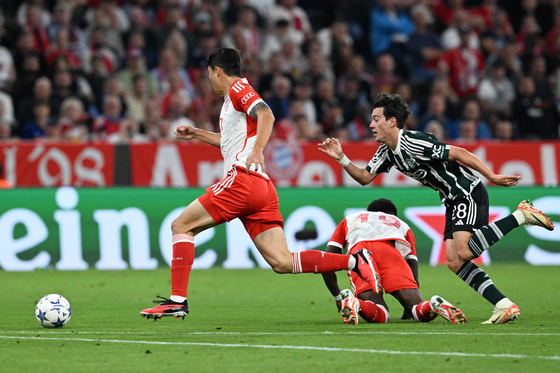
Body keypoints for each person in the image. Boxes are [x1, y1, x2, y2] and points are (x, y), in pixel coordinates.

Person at [140, 48, 379, 320]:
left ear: (217, 71)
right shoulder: (231, 102)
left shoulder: (239, 88)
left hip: (242, 180)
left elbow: (267, 114)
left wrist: (258, 151)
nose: (210, 80)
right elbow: (230, 141)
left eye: (209, 75)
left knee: (181, 225)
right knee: (282, 261)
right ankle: (356, 261)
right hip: (261, 189)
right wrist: (196, 133)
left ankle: (177, 300)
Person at [319, 93, 555, 324]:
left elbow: (460, 153)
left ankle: (521, 215)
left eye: (376, 118)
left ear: (392, 122)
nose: (371, 124)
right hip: (451, 200)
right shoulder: (386, 152)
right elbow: (364, 177)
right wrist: (341, 158)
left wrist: (491, 176)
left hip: (466, 191)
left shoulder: (415, 142)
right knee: (454, 262)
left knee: (463, 251)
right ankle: (503, 305)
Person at [322, 198, 467, 325]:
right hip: (391, 254)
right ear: (392, 215)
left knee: (380, 313)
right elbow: (412, 267)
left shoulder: (351, 219)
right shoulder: (401, 224)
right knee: (418, 310)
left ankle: (356, 303)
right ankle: (433, 305)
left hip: (361, 253)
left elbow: (327, 258)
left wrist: (337, 296)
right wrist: (409, 308)